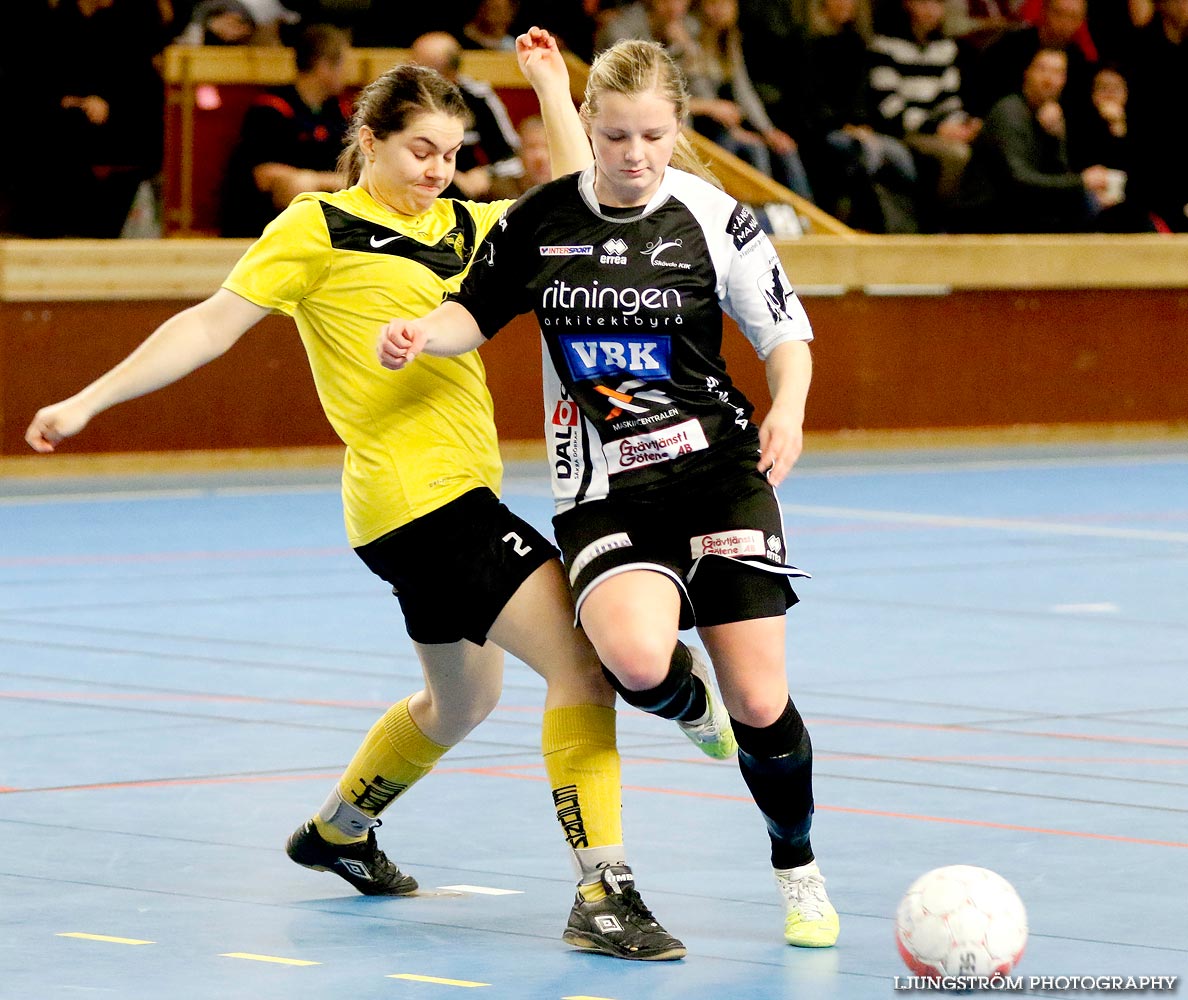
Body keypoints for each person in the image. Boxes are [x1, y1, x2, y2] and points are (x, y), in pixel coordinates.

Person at [24, 30, 687, 964]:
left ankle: (336, 831)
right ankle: (604, 893)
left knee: (460, 704)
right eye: (421, 150)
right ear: (367, 138)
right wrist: (89, 399)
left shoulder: (464, 227)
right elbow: (210, 325)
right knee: (584, 665)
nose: (438, 171)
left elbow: (574, 211)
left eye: (454, 155)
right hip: (422, 501)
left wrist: (548, 83)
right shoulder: (316, 228)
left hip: (429, 508)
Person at [378, 38, 840, 950]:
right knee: (632, 658)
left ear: (677, 132)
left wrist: (787, 408)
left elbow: (784, 332)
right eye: (618, 136)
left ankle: (799, 865)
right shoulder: (540, 220)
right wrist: (421, 334)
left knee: (760, 701)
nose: (635, 156)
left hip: (719, 475)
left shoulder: (714, 215)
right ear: (587, 127)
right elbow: (474, 311)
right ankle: (683, 699)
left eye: (654, 137)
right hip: (606, 489)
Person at [950, 46, 1117, 230]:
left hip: (1023, 208)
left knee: (1102, 207)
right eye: (1042, 69)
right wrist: (1081, 182)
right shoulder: (1009, 112)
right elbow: (1018, 181)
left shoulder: (1048, 115)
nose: (1048, 79)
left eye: (1057, 72)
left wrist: (1056, 137)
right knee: (1081, 203)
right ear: (1027, 72)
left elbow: (1059, 172)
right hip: (989, 213)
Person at [220, 23, 352, 237]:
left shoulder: (339, 112)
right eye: (343, 64)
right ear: (323, 66)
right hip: (264, 219)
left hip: (325, 214)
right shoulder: (270, 109)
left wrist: (322, 181)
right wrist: (319, 182)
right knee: (299, 186)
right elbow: (264, 175)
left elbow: (351, 169)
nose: (347, 72)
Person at [868, 0, 982, 222]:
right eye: (925, 3)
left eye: (937, 4)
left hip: (937, 128)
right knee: (957, 156)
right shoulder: (885, 45)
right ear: (908, 5)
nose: (932, 11)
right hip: (902, 131)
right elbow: (888, 106)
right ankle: (939, 222)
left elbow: (949, 100)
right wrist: (938, 128)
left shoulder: (945, 47)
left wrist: (962, 124)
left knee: (983, 142)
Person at [410, 31, 526, 201]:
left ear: (450, 74)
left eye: (422, 70)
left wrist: (486, 174)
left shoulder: (478, 97)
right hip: (417, 182)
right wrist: (451, 176)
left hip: (472, 195)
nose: (413, 76)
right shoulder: (397, 99)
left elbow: (510, 159)